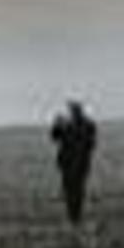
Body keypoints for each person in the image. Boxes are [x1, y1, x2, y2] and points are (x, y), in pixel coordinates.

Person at [49, 99, 97, 231]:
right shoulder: (88, 125)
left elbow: (54, 137)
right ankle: (75, 216)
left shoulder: (71, 125)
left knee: (72, 191)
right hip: (78, 164)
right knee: (76, 191)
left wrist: (58, 124)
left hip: (71, 164)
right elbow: (92, 145)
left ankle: (73, 217)